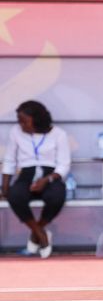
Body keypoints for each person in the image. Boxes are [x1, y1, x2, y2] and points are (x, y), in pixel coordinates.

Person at [5, 100, 70, 257]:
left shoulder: (59, 134)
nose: (21, 125)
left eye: (24, 121)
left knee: (57, 196)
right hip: (26, 174)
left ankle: (36, 232)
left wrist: (46, 180)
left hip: (50, 175)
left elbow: (64, 164)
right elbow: (9, 160)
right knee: (15, 195)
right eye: (19, 121)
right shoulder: (15, 132)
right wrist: (5, 188)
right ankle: (40, 233)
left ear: (37, 120)